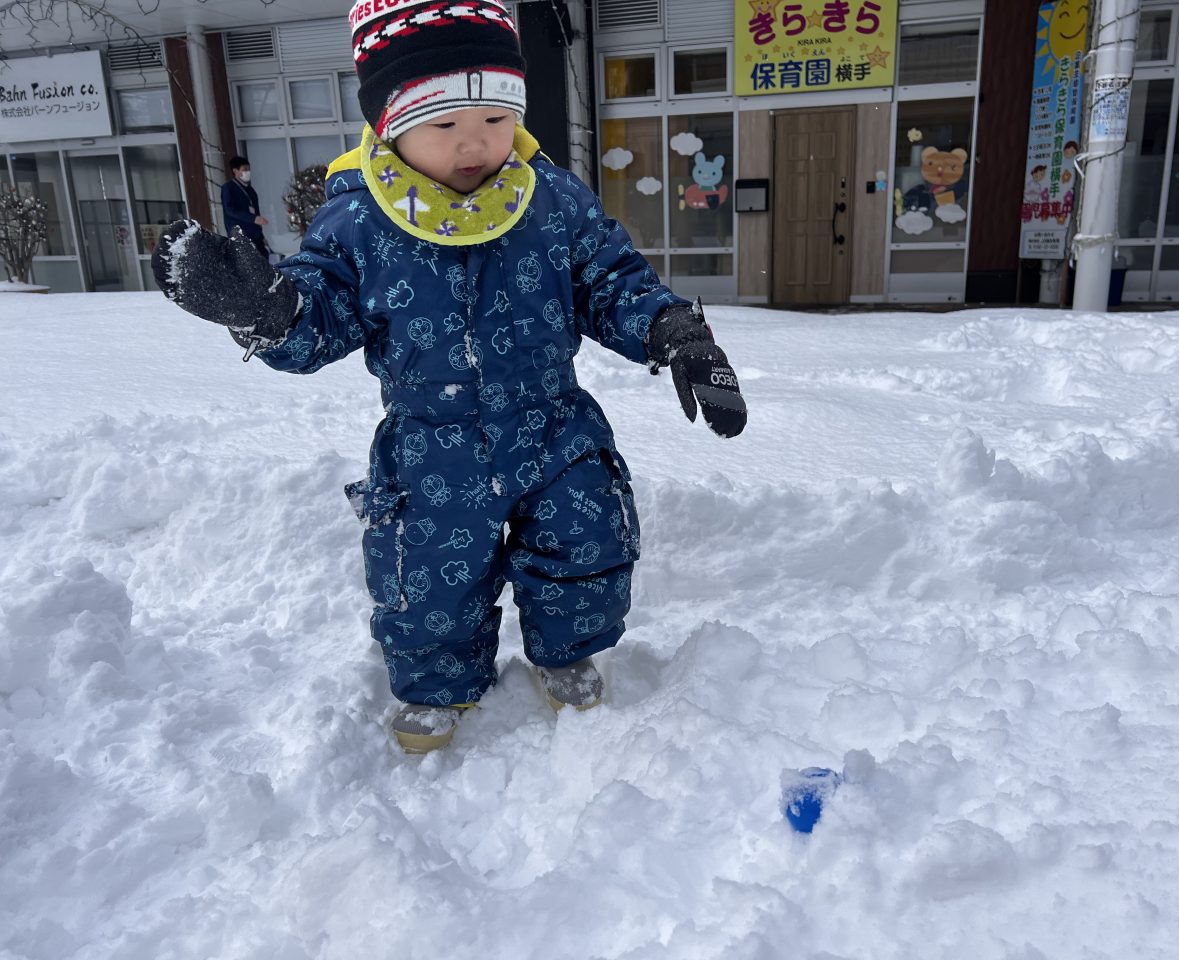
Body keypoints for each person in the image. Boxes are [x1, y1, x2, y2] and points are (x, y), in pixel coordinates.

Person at [150, 0, 747, 755]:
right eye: (444, 124)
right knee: (429, 577)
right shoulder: (358, 221)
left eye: (496, 119)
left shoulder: (550, 200)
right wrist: (270, 312)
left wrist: (674, 332)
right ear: (389, 124)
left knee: (586, 542)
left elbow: (610, 280)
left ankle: (566, 653)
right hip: (431, 442)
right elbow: (321, 315)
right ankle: (438, 683)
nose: (475, 143)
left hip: (554, 423)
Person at [220, 156, 270, 257]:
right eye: (244, 169)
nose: (248, 172)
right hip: (240, 235)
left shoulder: (251, 190)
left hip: (255, 234)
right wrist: (253, 219)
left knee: (264, 256)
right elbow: (229, 210)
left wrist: (261, 236)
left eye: (248, 169)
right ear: (235, 171)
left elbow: (256, 213)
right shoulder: (228, 188)